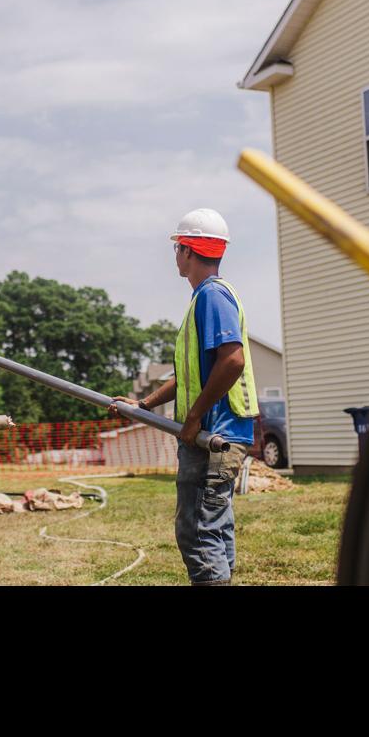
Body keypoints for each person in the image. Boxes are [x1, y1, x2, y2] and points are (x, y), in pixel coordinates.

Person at [112, 208, 259, 586]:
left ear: (188, 251)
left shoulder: (212, 296)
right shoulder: (206, 298)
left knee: (197, 531)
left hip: (213, 436)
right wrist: (142, 406)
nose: (175, 254)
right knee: (214, 526)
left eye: (177, 247)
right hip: (221, 435)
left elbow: (233, 361)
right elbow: (190, 375)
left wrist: (193, 418)